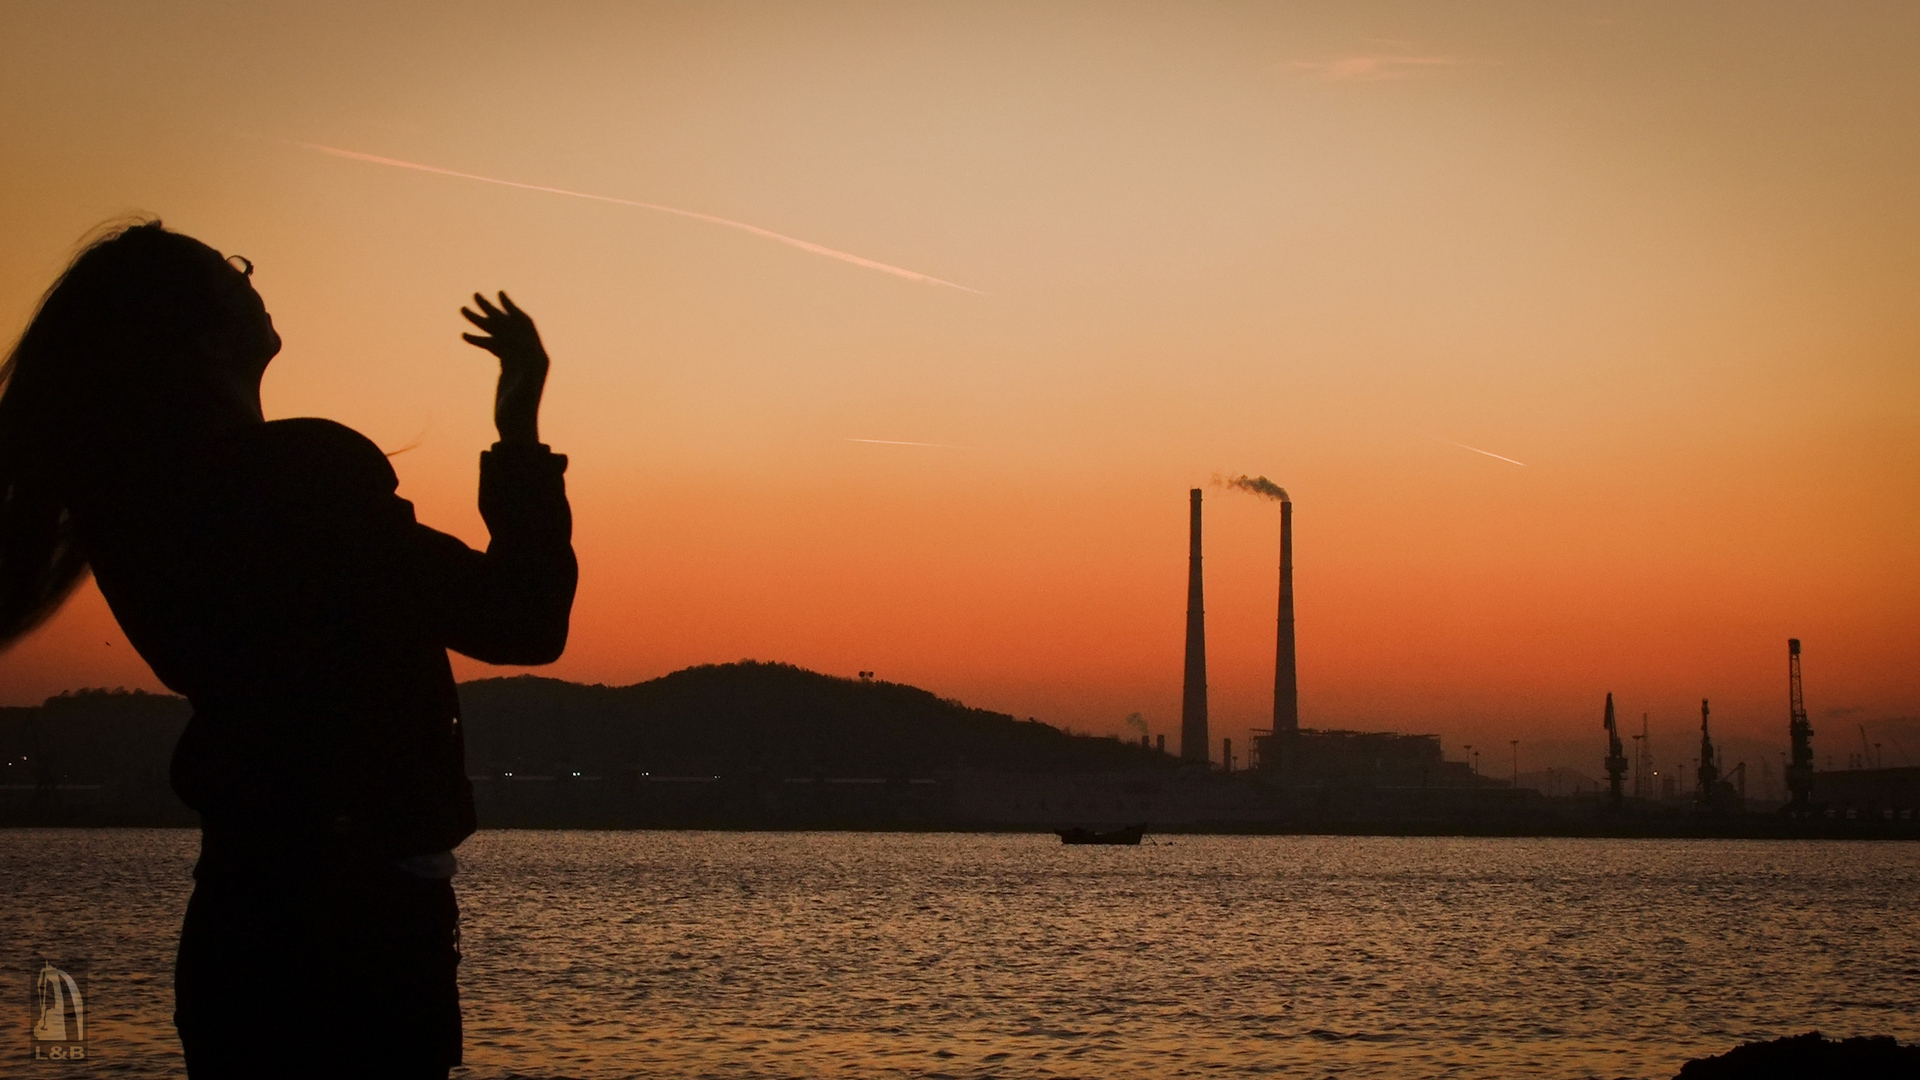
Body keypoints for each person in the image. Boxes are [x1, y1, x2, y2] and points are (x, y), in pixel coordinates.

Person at [0, 221, 578, 1078]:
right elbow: (522, 618)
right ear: (195, 331)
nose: (248, 272)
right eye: (227, 269)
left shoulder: (139, 513)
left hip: (245, 926)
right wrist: (520, 425)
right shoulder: (303, 477)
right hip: (355, 941)